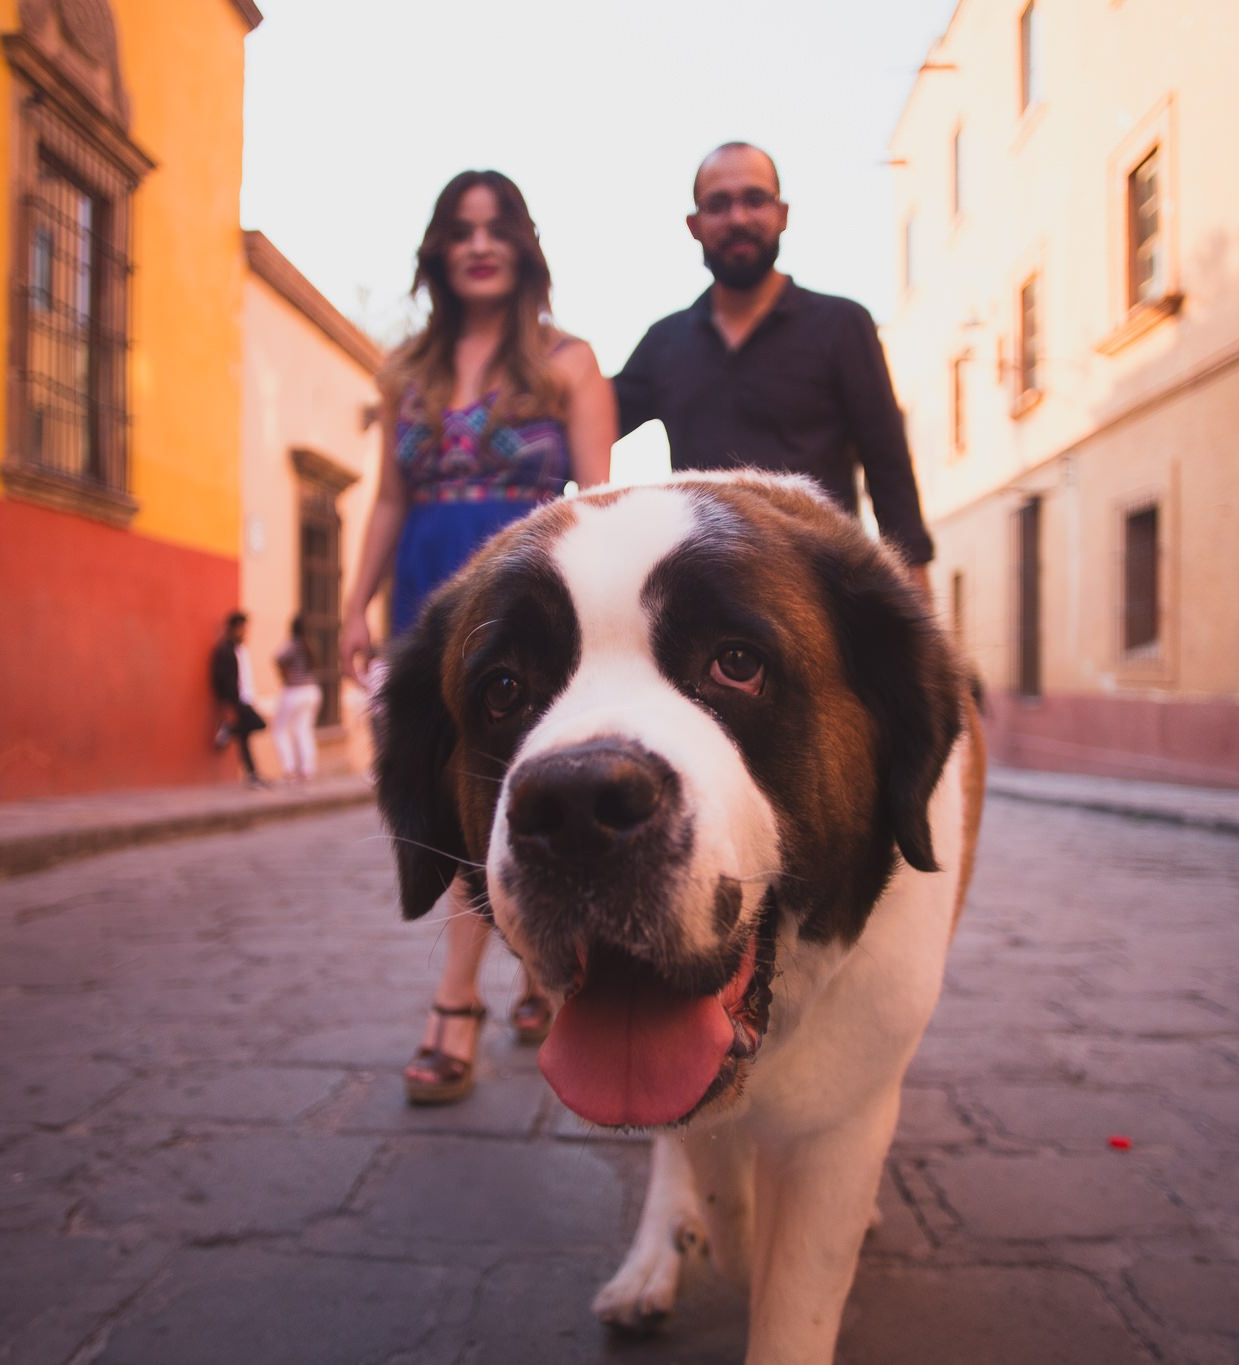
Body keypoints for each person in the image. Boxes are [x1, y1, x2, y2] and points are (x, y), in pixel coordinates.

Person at [339, 169, 614, 1105]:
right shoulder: (403, 371)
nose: (480, 243)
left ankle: (455, 1001)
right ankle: (535, 972)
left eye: (498, 227)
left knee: (494, 785)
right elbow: (386, 497)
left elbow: (598, 499)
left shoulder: (570, 362)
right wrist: (352, 604)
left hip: (522, 603)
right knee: (448, 786)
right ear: (439, 250)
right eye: (461, 229)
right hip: (424, 595)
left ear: (524, 245)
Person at [613, 141, 935, 595]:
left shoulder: (842, 325)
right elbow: (590, 419)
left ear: (782, 214)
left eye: (754, 200)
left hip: (821, 591)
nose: (738, 218)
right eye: (719, 204)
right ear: (694, 225)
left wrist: (915, 583)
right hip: (705, 593)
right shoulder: (665, 342)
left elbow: (887, 464)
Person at [209, 610, 268, 789]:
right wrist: (228, 701)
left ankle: (252, 774)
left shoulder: (241, 649)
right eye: (241, 628)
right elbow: (221, 679)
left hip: (246, 697)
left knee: (245, 739)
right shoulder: (224, 651)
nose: (244, 632)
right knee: (259, 724)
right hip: (237, 699)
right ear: (233, 628)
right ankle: (229, 729)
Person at [268, 614, 322, 782]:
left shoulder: (292, 645)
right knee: (303, 730)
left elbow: (277, 658)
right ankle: (307, 769)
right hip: (312, 691)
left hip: (294, 691)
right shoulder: (311, 645)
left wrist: (285, 674)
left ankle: (289, 768)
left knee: (279, 730)